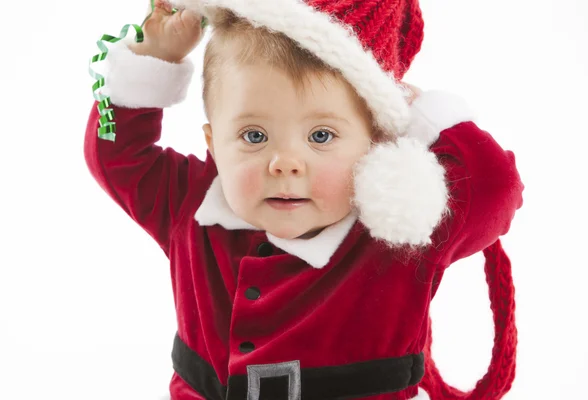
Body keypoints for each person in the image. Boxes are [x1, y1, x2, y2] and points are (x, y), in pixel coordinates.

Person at [84, 0, 525, 399]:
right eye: (253, 136)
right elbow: (115, 156)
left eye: (321, 135)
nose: (285, 164)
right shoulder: (190, 208)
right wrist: (154, 59)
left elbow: (495, 187)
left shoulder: (400, 234)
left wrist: (415, 113)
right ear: (214, 143)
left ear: (375, 144)